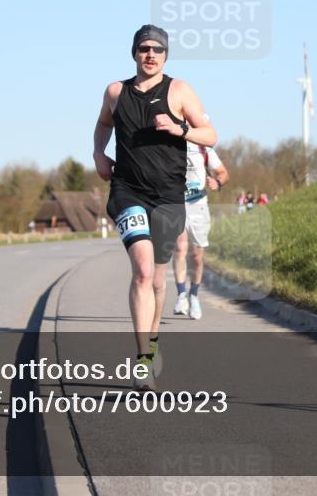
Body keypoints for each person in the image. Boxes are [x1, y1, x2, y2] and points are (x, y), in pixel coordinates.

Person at [93, 24, 217, 391]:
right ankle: (143, 360)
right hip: (127, 191)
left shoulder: (179, 90)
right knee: (144, 272)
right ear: (134, 52)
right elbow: (102, 125)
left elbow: (210, 135)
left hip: (168, 196)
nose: (150, 55)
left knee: (159, 280)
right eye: (144, 48)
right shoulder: (116, 91)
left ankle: (153, 344)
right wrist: (99, 153)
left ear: (166, 55)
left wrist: (180, 130)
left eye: (157, 50)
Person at [173, 140, 229, 320]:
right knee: (180, 248)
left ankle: (194, 295)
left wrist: (218, 182)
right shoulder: (169, 143)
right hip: (176, 203)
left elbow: (223, 172)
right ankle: (181, 294)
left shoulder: (203, 147)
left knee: (197, 255)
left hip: (198, 204)